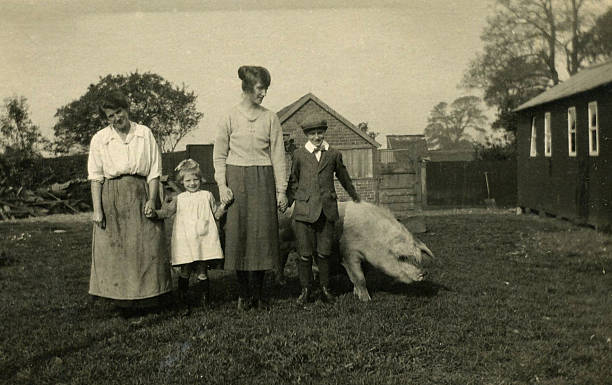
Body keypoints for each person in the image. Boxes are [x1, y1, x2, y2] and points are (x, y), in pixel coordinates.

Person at [87, 90, 172, 314]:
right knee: (117, 249)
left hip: (141, 191)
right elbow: (95, 176)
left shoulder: (144, 133)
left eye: (119, 111)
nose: (116, 118)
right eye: (110, 116)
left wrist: (152, 200)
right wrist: (98, 210)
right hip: (112, 194)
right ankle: (121, 302)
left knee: (147, 245)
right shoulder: (100, 139)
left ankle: (150, 298)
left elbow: (154, 170)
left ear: (127, 109)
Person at [213, 65, 288, 311]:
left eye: (266, 88)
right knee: (239, 235)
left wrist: (281, 190)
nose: (263, 93)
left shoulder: (270, 117)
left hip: (263, 179)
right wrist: (222, 185)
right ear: (246, 88)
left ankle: (259, 294)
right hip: (236, 179)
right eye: (259, 88)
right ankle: (243, 294)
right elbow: (219, 155)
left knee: (262, 236)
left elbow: (278, 156)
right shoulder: (229, 117)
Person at [286, 120, 361, 304]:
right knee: (304, 253)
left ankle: (325, 289)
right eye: (313, 134)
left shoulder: (334, 154)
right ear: (307, 135)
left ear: (324, 133)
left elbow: (344, 177)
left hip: (327, 211)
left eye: (320, 133)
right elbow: (293, 180)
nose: (317, 137)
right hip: (304, 211)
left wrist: (355, 197)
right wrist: (288, 202)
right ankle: (305, 290)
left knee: (324, 253)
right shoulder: (299, 155)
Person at [149, 159, 226, 314]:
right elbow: (167, 212)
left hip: (203, 239)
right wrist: (155, 213)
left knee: (202, 271)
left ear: (201, 179)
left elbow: (216, 214)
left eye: (195, 180)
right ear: (182, 182)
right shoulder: (180, 198)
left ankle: (205, 301)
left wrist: (224, 205)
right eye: (188, 180)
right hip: (185, 240)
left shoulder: (207, 195)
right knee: (185, 270)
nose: (192, 183)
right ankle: (183, 301)